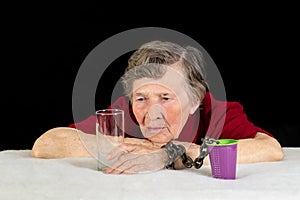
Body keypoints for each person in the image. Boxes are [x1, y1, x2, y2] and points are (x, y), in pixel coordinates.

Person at [31, 40, 283, 174]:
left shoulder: (216, 111)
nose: (152, 112)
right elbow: (47, 144)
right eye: (141, 98)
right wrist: (125, 147)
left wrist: (178, 153)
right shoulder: (124, 113)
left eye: (166, 97)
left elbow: (269, 149)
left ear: (195, 100)